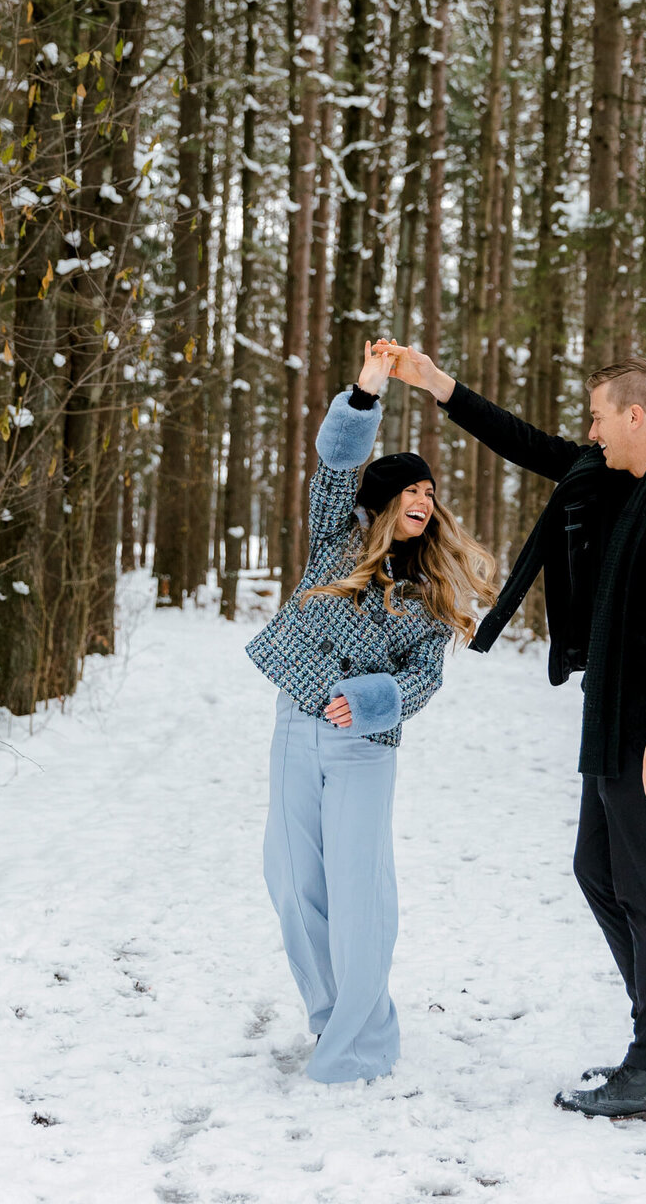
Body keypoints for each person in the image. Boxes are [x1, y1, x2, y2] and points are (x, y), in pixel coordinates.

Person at [382, 341, 646, 1123]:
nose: (591, 429)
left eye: (600, 415)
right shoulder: (614, 477)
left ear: (636, 415)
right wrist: (440, 386)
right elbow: (527, 444)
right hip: (610, 714)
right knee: (597, 872)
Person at [246, 341, 497, 1084]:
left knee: (359, 893)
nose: (424, 500)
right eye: (410, 490)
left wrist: (368, 700)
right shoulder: (335, 538)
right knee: (293, 886)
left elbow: (424, 680)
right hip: (296, 725)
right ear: (381, 502)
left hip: (364, 744)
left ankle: (360, 1048)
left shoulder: (431, 592)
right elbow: (332, 469)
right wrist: (366, 390)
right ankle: (333, 1022)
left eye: (430, 492)